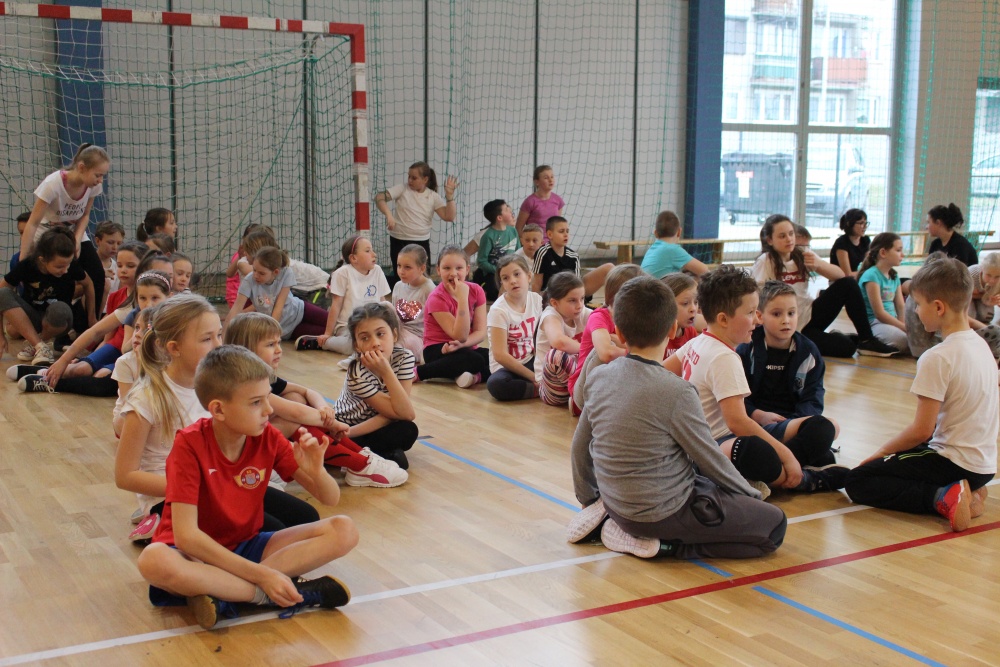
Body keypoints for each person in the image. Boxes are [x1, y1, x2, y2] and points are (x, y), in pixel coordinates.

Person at [136, 345, 356, 630]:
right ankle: (267, 595)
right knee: (153, 560)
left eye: (268, 398)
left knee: (344, 529)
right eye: (255, 402)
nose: (269, 410)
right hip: (193, 555)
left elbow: (331, 498)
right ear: (218, 409)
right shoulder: (189, 445)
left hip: (246, 545)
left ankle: (223, 592)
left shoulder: (267, 436)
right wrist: (263, 577)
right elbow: (187, 538)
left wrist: (318, 471)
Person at [568, 275, 786, 559]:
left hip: (615, 504)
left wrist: (589, 500)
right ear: (673, 328)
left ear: (618, 332)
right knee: (774, 526)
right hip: (661, 513)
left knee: (707, 486)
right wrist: (749, 496)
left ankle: (615, 523)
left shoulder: (599, 377)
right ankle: (667, 547)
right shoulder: (677, 391)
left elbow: (579, 447)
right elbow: (708, 457)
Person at [116, 294, 320, 542]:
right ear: (174, 348)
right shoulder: (147, 398)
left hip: (226, 483)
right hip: (177, 495)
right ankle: (164, 524)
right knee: (272, 533)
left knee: (307, 519)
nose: (217, 345)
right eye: (206, 339)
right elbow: (125, 476)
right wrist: (198, 487)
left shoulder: (220, 382)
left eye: (219, 335)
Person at [664, 265, 849, 495]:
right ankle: (802, 479)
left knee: (823, 426)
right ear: (723, 319)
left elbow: (658, 373)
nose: (756, 321)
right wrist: (786, 455)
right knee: (750, 450)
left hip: (730, 435)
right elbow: (738, 423)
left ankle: (779, 470)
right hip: (717, 445)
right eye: (751, 313)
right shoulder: (724, 357)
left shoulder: (699, 341)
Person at [845, 254, 997, 532]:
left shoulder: (937, 357)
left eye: (917, 304)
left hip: (953, 462)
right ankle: (970, 491)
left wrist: (881, 453)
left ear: (938, 307)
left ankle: (942, 497)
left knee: (858, 480)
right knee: (906, 459)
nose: (914, 311)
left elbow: (921, 431)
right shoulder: (981, 346)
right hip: (984, 466)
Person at [225, 312, 407, 488]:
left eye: (279, 343)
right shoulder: (246, 383)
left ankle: (359, 457)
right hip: (239, 452)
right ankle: (359, 464)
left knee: (296, 397)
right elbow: (295, 413)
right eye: (271, 345)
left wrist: (323, 408)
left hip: (256, 440)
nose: (279, 350)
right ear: (248, 350)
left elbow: (306, 391)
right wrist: (333, 423)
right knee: (294, 419)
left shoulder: (261, 376)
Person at [751, 214, 899, 358]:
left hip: (809, 315)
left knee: (848, 284)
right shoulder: (766, 261)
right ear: (770, 240)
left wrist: (818, 265)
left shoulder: (802, 253)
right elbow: (757, 299)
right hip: (789, 326)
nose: (789, 239)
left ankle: (867, 340)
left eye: (791, 234)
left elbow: (840, 275)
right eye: (782, 236)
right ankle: (844, 339)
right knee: (847, 348)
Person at [736, 280, 840, 467]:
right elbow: (735, 397)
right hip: (754, 423)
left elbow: (813, 396)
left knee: (831, 426)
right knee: (821, 452)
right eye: (777, 314)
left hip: (791, 424)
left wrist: (796, 422)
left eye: (791, 313)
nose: (786, 320)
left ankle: (777, 461)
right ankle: (794, 460)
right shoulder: (746, 349)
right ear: (760, 316)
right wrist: (758, 414)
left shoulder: (808, 352)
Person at [16, 271, 171, 395]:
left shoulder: (172, 318)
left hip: (150, 366)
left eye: (155, 298)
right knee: (82, 369)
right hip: (126, 357)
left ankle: (53, 382)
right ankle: (46, 374)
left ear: (168, 297)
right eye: (143, 298)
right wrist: (63, 360)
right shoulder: (133, 313)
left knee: (102, 377)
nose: (148, 304)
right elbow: (101, 335)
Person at [20, 143, 110, 321]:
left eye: (103, 176)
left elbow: (85, 215)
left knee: (97, 273)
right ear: (82, 167)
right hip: (47, 232)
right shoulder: (52, 184)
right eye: (98, 175)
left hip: (73, 230)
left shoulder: (93, 186)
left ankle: (88, 324)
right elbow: (33, 222)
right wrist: (24, 258)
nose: (100, 180)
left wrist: (77, 239)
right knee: (52, 276)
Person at [333, 302, 418, 470]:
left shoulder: (405, 358)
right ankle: (375, 455)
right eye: (365, 338)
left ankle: (368, 455)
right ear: (357, 346)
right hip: (349, 427)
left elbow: (405, 413)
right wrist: (346, 434)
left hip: (383, 421)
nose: (375, 343)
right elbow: (401, 412)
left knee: (408, 430)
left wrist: (386, 371)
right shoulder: (357, 373)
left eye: (380, 334)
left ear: (394, 335)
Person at [567, 263, 644, 415]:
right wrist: (636, 353)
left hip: (614, 385)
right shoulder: (599, 317)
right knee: (608, 347)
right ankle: (581, 405)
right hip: (584, 390)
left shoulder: (634, 318)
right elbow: (605, 353)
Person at [0, 227, 83, 367]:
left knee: (60, 309)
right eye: (59, 267)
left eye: (67, 265)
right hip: (34, 317)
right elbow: (2, 293)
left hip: (59, 320)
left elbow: (89, 284)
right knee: (3, 293)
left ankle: (37, 343)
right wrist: (1, 336)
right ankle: (39, 346)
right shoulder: (26, 265)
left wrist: (93, 317)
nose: (65, 270)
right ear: (43, 260)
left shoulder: (69, 266)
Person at [295, 235, 390, 357]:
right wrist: (327, 334)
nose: (374, 254)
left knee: (390, 341)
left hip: (373, 325)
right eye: (368, 251)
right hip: (348, 327)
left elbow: (382, 301)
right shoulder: (342, 273)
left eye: (372, 250)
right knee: (354, 346)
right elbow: (336, 305)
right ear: (354, 258)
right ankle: (324, 343)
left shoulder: (377, 270)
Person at [414, 245, 491, 388]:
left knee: (495, 357)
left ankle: (472, 377)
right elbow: (459, 335)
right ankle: (419, 372)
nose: (453, 273)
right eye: (447, 268)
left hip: (465, 347)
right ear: (438, 270)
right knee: (475, 360)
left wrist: (463, 345)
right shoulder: (436, 298)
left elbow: (480, 333)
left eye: (459, 268)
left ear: (467, 269)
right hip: (438, 349)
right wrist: (462, 299)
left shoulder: (477, 290)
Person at [224, 246, 328, 342]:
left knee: (331, 324)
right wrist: (223, 339)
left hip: (300, 310)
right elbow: (235, 309)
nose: (255, 275)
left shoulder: (286, 273)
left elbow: (279, 306)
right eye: (254, 270)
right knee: (326, 333)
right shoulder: (249, 280)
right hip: (286, 328)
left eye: (261, 273)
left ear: (276, 272)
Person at [375, 161, 459, 274]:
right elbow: (379, 197)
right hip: (399, 241)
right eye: (409, 176)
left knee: (423, 276)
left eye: (414, 178)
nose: (410, 180)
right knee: (402, 275)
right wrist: (389, 215)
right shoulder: (402, 189)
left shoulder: (432, 196)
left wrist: (449, 196)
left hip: (421, 242)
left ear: (425, 179)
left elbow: (449, 216)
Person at [487, 255, 543, 401]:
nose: (512, 280)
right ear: (502, 284)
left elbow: (541, 337)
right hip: (506, 368)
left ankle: (547, 386)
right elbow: (500, 355)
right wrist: (535, 377)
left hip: (530, 360)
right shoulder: (498, 310)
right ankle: (539, 390)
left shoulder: (537, 300)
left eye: (517, 274)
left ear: (529, 276)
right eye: (505, 278)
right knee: (496, 385)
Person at [535, 272, 591, 406]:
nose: (579, 305)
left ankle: (588, 397)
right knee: (556, 356)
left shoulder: (582, 312)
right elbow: (559, 342)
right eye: (572, 300)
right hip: (552, 388)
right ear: (555, 303)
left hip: (578, 377)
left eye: (582, 298)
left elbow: (607, 328)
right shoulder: (550, 316)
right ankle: (581, 399)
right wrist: (591, 349)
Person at [530, 216, 613, 296]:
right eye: (561, 231)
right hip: (551, 296)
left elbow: (577, 283)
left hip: (572, 293)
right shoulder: (542, 252)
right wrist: (536, 303)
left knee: (609, 267)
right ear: (550, 234)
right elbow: (537, 283)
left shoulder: (573, 256)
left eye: (567, 231)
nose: (566, 234)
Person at [858, 233, 909, 353]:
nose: (902, 255)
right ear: (883, 253)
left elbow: (900, 306)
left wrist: (902, 325)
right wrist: (903, 328)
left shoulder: (894, 276)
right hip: (875, 324)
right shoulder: (872, 275)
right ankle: (872, 345)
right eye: (898, 250)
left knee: (915, 337)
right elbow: (879, 313)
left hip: (892, 322)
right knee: (904, 341)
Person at [392, 244, 435, 362]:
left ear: (422, 268)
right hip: (398, 331)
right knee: (384, 307)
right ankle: (358, 358)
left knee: (395, 347)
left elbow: (437, 323)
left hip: (418, 338)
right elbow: (394, 316)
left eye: (407, 267)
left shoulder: (429, 289)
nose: (401, 271)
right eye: (399, 266)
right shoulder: (398, 285)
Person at [639, 210, 708, 279]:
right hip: (658, 286)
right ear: (679, 232)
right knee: (696, 277)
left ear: (655, 233)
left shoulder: (651, 250)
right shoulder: (672, 249)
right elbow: (706, 272)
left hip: (646, 285)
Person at [474, 199, 521, 301]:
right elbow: (481, 261)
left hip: (510, 270)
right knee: (494, 293)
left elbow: (518, 253)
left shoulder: (513, 231)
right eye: (506, 209)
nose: (510, 210)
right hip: (492, 273)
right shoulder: (488, 236)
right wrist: (499, 271)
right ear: (500, 218)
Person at [225, 224, 273, 308]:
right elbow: (229, 273)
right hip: (244, 298)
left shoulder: (269, 260)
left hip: (258, 298)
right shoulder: (243, 260)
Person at [516, 165, 563, 236]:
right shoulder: (530, 202)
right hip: (535, 241)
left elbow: (558, 225)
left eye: (552, 177)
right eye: (546, 178)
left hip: (553, 241)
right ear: (537, 182)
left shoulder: (558, 200)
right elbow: (518, 228)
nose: (550, 180)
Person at [662, 273, 699, 356]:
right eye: (685, 303)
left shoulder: (691, 332)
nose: (693, 308)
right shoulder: (659, 337)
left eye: (696, 302)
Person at [93, 220, 125, 314]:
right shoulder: (88, 263)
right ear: (98, 241)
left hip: (110, 314)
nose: (115, 247)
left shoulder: (118, 267)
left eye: (119, 243)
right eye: (110, 242)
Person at [830, 208, 871, 278]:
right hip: (843, 281)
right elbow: (847, 274)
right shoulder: (841, 242)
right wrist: (867, 273)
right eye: (861, 223)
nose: (865, 226)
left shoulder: (865, 240)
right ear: (850, 224)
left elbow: (868, 265)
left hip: (859, 278)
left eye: (866, 223)